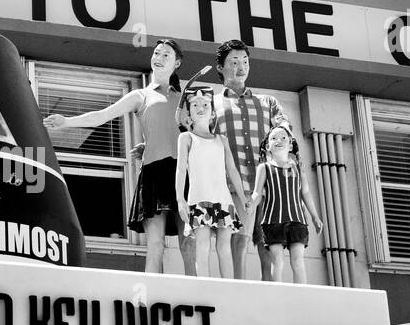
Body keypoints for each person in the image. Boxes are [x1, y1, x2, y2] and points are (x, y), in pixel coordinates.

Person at [44, 39, 194, 275]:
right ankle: (151, 300)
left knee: (189, 242)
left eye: (166, 55)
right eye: (156, 53)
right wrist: (67, 122)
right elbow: (102, 115)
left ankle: (198, 298)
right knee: (155, 245)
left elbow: (196, 134)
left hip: (183, 173)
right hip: (154, 173)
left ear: (177, 62)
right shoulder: (140, 95)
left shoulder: (187, 98)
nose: (159, 58)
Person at [208, 39, 293, 280]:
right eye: (234, 61)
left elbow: (285, 127)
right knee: (238, 241)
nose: (241, 66)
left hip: (268, 185)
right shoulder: (212, 103)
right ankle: (238, 288)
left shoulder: (267, 103)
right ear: (221, 68)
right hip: (232, 185)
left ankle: (272, 294)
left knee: (269, 244)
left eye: (245, 61)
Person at [175, 89, 246, 278]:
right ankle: (204, 286)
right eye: (195, 105)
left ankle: (229, 287)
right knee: (202, 245)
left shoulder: (221, 140)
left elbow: (232, 170)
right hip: (199, 198)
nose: (201, 108)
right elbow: (181, 169)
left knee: (224, 246)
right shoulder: (187, 138)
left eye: (205, 105)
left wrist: (243, 197)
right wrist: (180, 199)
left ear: (213, 113)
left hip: (222, 199)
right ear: (188, 114)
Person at [250, 125, 323, 284]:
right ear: (268, 146)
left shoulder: (298, 168)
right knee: (277, 260)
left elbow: (305, 193)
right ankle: (278, 293)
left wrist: (315, 217)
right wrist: (250, 204)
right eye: (274, 138)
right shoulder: (264, 168)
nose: (279, 140)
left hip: (297, 220)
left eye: (283, 137)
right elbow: (257, 192)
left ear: (290, 144)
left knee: (297, 260)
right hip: (273, 221)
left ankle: (301, 294)